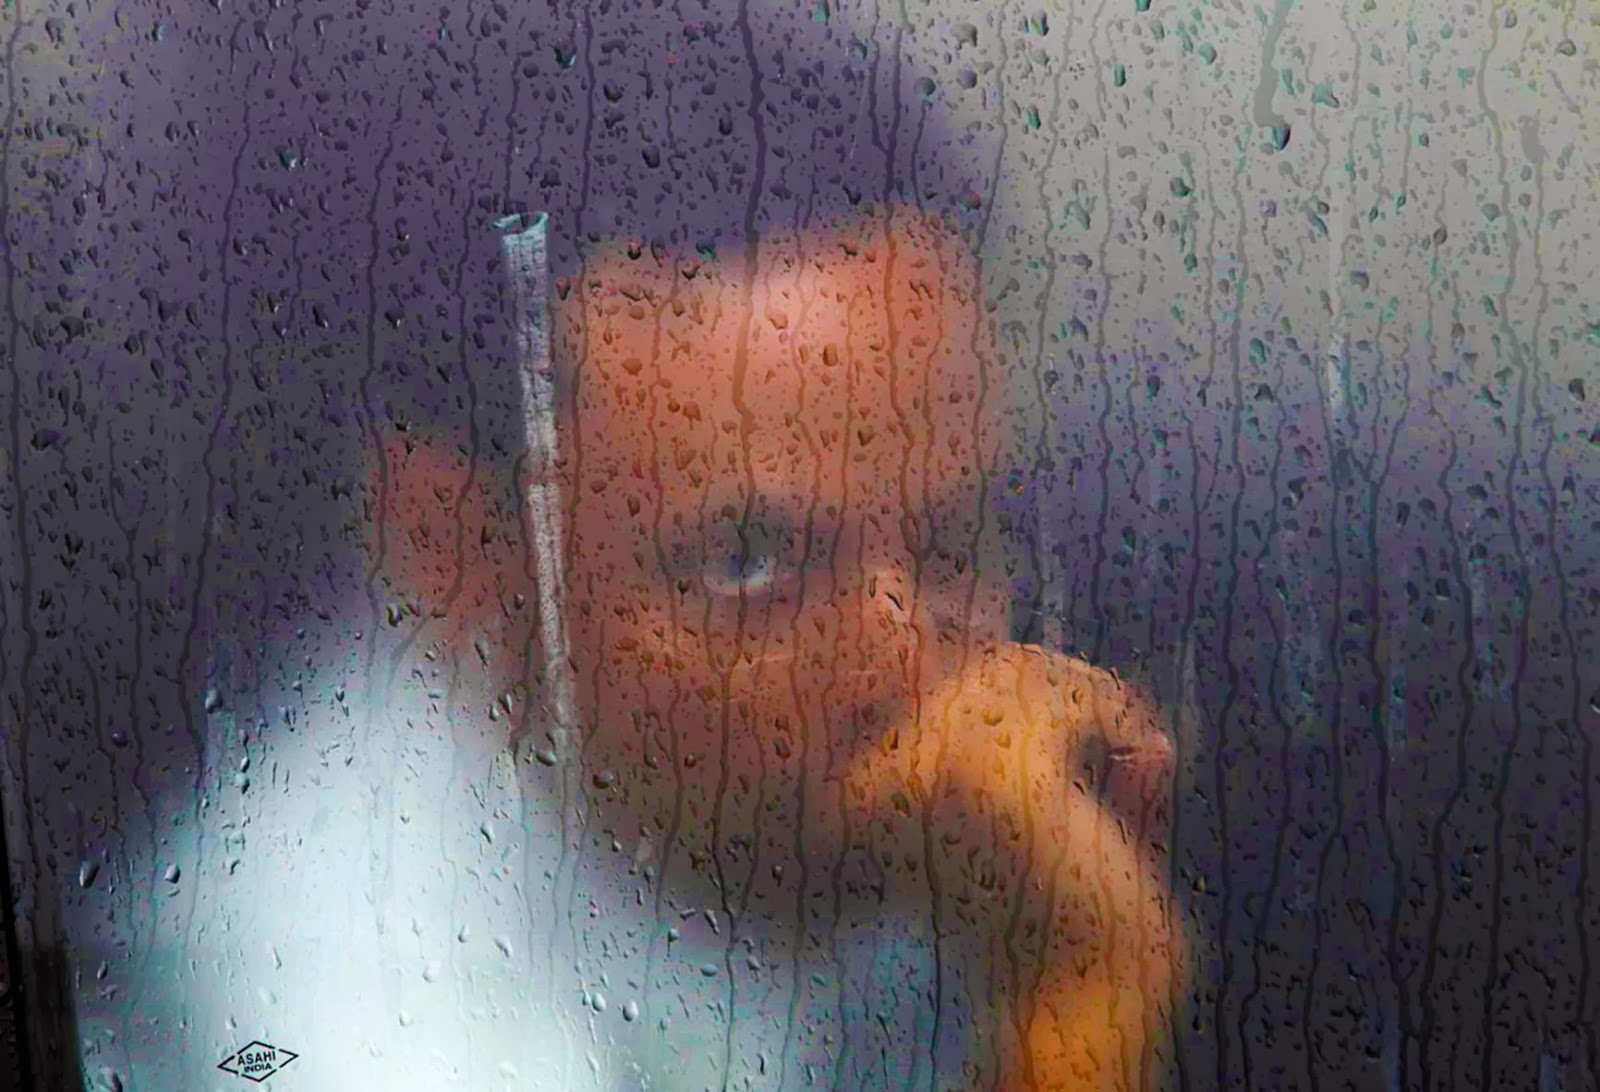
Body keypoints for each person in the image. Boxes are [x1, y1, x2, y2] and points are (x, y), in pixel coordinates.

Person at [369, 202, 1186, 1088]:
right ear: (462, 563)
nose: (905, 662)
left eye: (954, 543)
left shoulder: (962, 851)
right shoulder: (371, 1012)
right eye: (748, 562)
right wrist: (1084, 997)